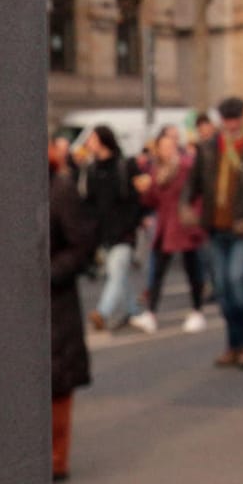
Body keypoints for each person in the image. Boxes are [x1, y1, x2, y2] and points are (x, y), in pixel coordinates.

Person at [184, 95, 243, 368]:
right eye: (226, 119)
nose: (231, 124)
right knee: (223, 289)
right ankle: (233, 344)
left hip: (242, 229)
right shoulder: (209, 148)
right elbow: (193, 184)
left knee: (237, 282)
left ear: (242, 119)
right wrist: (185, 206)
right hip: (215, 227)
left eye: (235, 119)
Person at [49, 138, 97, 481]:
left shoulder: (60, 188)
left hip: (54, 298)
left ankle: (56, 457)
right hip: (18, 299)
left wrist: (48, 273)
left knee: (57, 379)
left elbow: (81, 245)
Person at [129, 127, 207, 334]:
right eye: (162, 147)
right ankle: (152, 312)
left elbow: (198, 194)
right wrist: (144, 191)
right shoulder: (157, 171)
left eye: (169, 146)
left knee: (193, 269)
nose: (166, 150)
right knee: (158, 272)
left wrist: (195, 217)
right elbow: (153, 201)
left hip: (183, 225)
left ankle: (197, 310)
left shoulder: (186, 167)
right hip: (166, 225)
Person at [80, 125, 144, 331]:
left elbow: (136, 200)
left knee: (116, 271)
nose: (89, 144)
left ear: (103, 141)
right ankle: (134, 311)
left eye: (92, 139)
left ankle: (102, 312)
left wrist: (131, 224)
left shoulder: (124, 166)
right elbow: (89, 205)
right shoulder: (91, 170)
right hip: (103, 234)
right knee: (119, 274)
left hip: (124, 232)